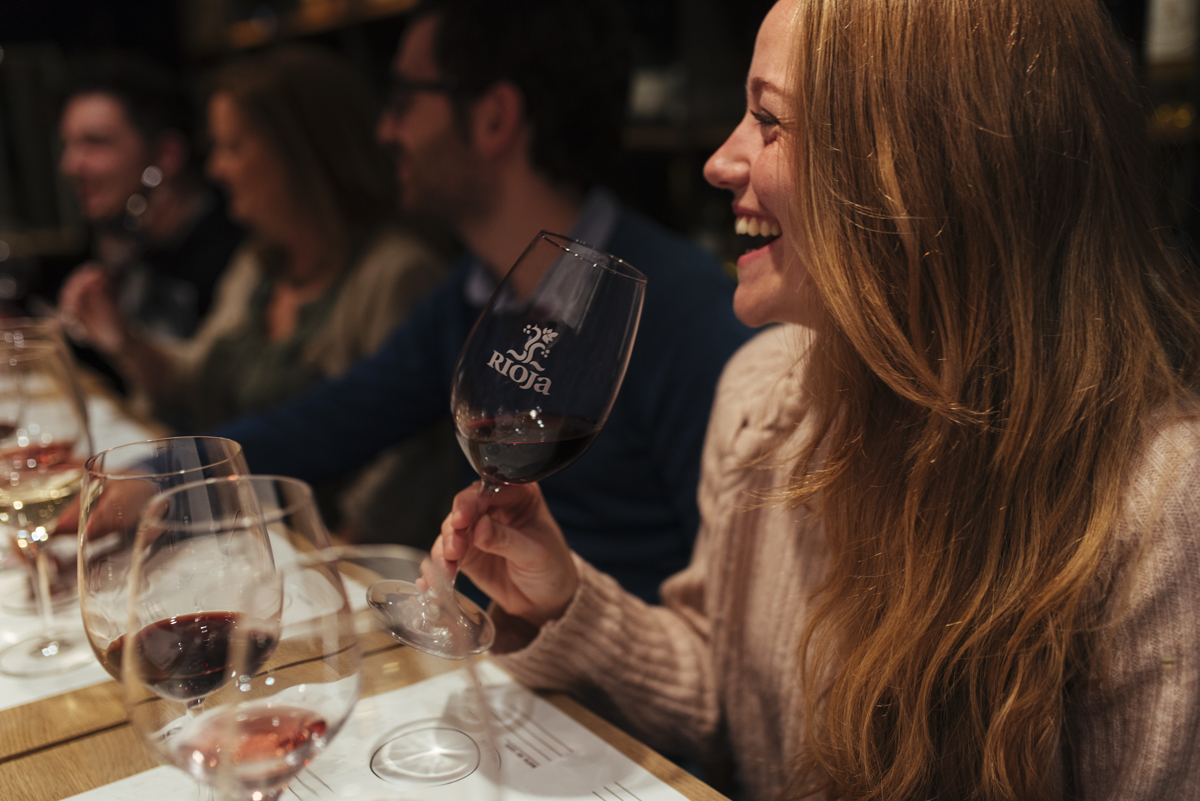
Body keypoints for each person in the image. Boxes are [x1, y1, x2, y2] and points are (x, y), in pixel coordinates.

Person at [432, 0, 1200, 799]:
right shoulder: (763, 396)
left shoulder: (1161, 510)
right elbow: (725, 685)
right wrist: (563, 600)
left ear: (931, 168)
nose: (720, 161)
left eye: (769, 120)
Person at [213, 0, 752, 602]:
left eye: (404, 101)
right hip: (512, 655)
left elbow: (733, 608)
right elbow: (332, 421)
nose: (385, 131)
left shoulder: (689, 317)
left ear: (494, 118)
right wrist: (168, 475)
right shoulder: (472, 291)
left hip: (607, 683)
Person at [62, 46, 455, 541]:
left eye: (233, 146)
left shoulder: (398, 273)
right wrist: (124, 342)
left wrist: (328, 568)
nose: (218, 169)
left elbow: (400, 475)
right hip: (241, 527)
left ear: (300, 152)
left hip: (310, 549)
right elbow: (196, 380)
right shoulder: (260, 261)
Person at [55, 54, 243, 344]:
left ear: (166, 155)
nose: (70, 165)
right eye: (69, 145)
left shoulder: (231, 255)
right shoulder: (130, 242)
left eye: (94, 143)